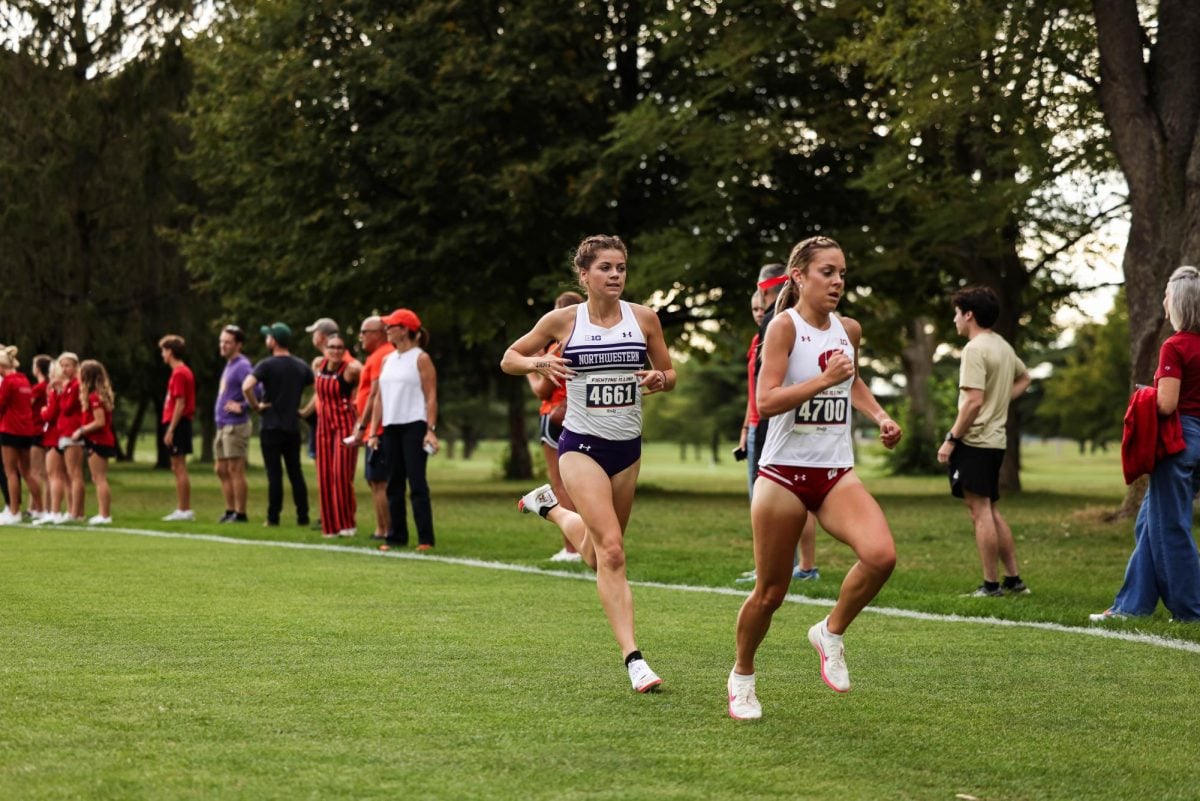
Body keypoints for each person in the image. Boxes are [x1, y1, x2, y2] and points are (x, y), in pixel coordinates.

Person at [728, 235, 901, 720]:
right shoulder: (781, 328)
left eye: (842, 273)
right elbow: (766, 401)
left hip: (834, 473)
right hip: (782, 475)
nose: (838, 281)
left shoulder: (849, 328)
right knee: (770, 593)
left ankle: (830, 631)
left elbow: (853, 379)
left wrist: (879, 416)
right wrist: (822, 382)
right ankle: (742, 676)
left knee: (881, 555)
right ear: (800, 276)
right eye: (828, 272)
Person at [502, 234, 676, 693]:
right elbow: (509, 358)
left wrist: (660, 377)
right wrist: (540, 363)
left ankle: (552, 509)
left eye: (621, 267)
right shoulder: (563, 320)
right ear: (584, 275)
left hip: (628, 450)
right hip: (579, 448)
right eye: (606, 268)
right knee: (614, 551)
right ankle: (634, 659)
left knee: (598, 553)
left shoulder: (644, 319)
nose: (616, 274)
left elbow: (670, 373)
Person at [1091, 266, 1200, 623]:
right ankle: (1133, 605)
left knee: (1170, 528)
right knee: (1147, 524)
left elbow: (1167, 404)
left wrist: (1144, 396)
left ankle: (1190, 611)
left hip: (1179, 443)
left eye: (1167, 297)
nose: (1163, 303)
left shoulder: (1175, 346)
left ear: (1180, 304)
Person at [936, 286, 1031, 597]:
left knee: (980, 511)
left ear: (969, 315)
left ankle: (991, 585)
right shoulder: (1002, 345)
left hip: (975, 441)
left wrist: (951, 439)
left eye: (956, 314)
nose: (954, 320)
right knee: (989, 508)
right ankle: (1014, 581)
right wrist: (1001, 401)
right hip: (996, 442)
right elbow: (1024, 377)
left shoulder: (975, 350)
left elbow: (973, 401)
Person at [735, 265, 820, 585]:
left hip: (775, 424)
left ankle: (781, 568)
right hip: (763, 423)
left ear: (767, 287)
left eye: (761, 302)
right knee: (795, 498)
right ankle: (798, 566)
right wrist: (746, 428)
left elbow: (769, 393)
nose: (759, 311)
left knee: (770, 502)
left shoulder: (780, 323)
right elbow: (754, 389)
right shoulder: (775, 327)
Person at [366, 308, 438, 551]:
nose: (386, 330)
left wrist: (430, 429)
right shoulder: (388, 359)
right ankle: (395, 537)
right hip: (390, 427)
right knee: (393, 483)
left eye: (390, 326)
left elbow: (431, 396)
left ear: (405, 329)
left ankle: (425, 539)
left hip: (414, 426)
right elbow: (379, 398)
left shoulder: (421, 358)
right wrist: (374, 430)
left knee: (417, 483)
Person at [525, 290, 584, 563]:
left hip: (556, 415)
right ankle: (586, 543)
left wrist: (532, 363)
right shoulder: (589, 343)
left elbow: (541, 390)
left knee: (561, 485)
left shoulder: (556, 349)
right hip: (584, 415)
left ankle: (572, 548)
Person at [243, 322, 313, 527]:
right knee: (296, 473)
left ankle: (273, 517)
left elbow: (247, 386)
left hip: (271, 426)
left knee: (274, 475)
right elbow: (320, 388)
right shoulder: (301, 365)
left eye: (268, 337)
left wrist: (256, 406)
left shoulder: (266, 364)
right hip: (292, 427)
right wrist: (305, 411)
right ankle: (303, 516)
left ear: (273, 341)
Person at [303, 333, 360, 537]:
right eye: (332, 347)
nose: (336, 351)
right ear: (324, 349)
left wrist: (361, 422)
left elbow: (368, 390)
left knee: (341, 475)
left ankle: (347, 524)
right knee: (324, 475)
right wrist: (305, 411)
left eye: (340, 348)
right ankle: (330, 526)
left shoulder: (352, 369)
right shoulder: (318, 365)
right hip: (324, 426)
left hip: (345, 425)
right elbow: (318, 394)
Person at [352, 316, 393, 541]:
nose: (361, 336)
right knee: (374, 480)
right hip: (373, 428)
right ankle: (382, 528)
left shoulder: (381, 355)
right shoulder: (376, 356)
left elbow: (375, 394)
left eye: (364, 331)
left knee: (379, 481)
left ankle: (385, 529)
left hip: (377, 429)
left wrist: (363, 425)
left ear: (378, 333)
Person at [214, 325, 254, 523]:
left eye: (227, 342)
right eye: (221, 341)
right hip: (223, 425)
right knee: (220, 469)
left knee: (235, 469)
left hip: (235, 425)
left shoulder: (242, 365)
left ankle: (241, 513)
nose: (223, 345)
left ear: (238, 345)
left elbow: (258, 389)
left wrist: (243, 405)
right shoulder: (230, 364)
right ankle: (230, 510)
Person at [0, 346, 43, 524]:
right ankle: (40, 509)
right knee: (27, 472)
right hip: (26, 430)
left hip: (10, 429)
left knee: (10, 472)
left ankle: (14, 511)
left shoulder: (8, 382)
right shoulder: (24, 379)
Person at [72, 359, 116, 525]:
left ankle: (104, 515)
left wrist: (81, 430)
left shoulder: (94, 397)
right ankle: (103, 513)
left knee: (99, 478)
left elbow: (100, 422)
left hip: (99, 440)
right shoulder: (96, 395)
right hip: (98, 440)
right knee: (97, 478)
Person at [159, 334, 196, 522]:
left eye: (164, 350)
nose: (162, 354)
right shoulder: (178, 372)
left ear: (171, 352)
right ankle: (182, 507)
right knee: (176, 466)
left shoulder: (180, 373)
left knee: (179, 466)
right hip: (177, 422)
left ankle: (184, 509)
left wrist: (171, 429)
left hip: (179, 423)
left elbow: (180, 403)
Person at [305, 317, 339, 463]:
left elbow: (322, 394)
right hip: (324, 420)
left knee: (328, 467)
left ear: (321, 336)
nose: (313, 336)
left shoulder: (330, 362)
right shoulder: (322, 361)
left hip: (332, 422)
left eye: (314, 333)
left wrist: (304, 412)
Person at [28, 354, 52, 520]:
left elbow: (25, 405)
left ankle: (37, 508)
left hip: (36, 430)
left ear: (38, 368)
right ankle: (46, 508)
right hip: (45, 430)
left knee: (36, 472)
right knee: (45, 472)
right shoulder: (49, 386)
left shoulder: (39, 388)